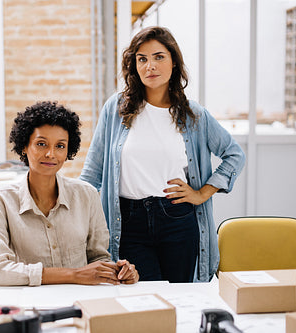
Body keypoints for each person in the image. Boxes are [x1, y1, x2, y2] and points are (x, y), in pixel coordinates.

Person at [80, 26, 245, 283]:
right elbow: (92, 172)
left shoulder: (194, 115)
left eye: (158, 57)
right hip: (128, 221)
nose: (150, 66)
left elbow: (234, 155)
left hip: (177, 218)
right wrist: (71, 219)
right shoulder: (116, 108)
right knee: (142, 298)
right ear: (134, 65)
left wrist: (202, 193)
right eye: (142, 59)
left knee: (181, 301)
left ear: (173, 62)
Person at [0, 101, 139, 286]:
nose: (51, 154)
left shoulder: (87, 195)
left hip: (80, 300)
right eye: (41, 144)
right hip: (29, 304)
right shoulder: (1, 200)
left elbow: (98, 258)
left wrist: (118, 272)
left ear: (68, 151)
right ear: (24, 146)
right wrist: (73, 275)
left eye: (60, 146)